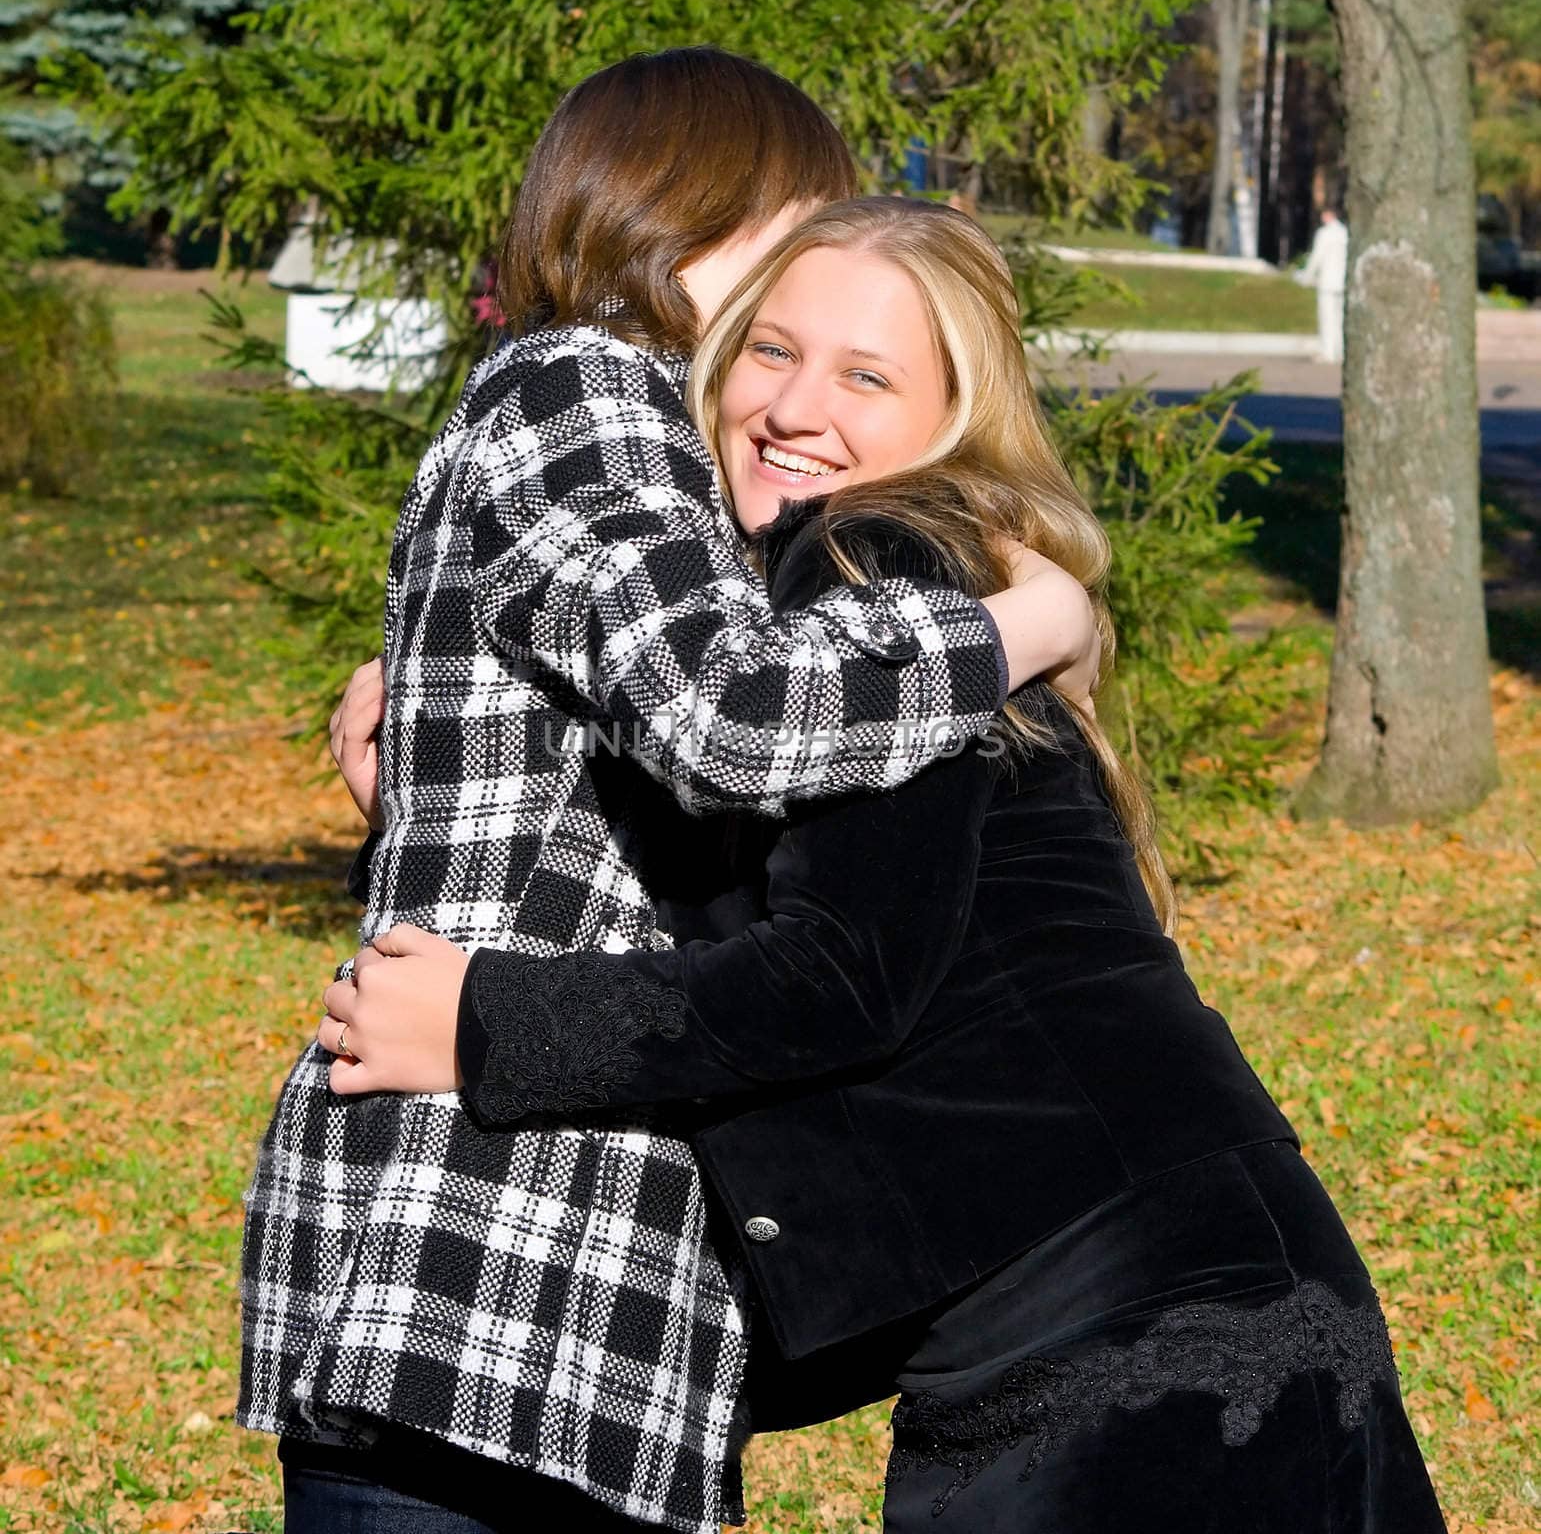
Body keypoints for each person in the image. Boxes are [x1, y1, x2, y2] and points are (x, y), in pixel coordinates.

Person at [323, 197, 1449, 1532]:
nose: (801, 406)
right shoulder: (806, 630)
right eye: (773, 353)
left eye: (867, 375)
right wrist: (467, 704)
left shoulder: (880, 562)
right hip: (1110, 1317)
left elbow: (838, 977)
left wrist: (482, 1021)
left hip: (1148, 1334)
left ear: (952, 418)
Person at [243, 54, 1099, 1534]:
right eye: (794, 236)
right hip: (498, 1267)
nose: (811, 290)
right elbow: (739, 717)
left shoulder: (604, 424)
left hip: (547, 1296)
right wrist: (1031, 622)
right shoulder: (594, 386)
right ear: (695, 214)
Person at [1296, 205, 1349, 364]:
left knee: (1326, 317)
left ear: (1328, 215)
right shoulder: (1344, 233)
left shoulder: (1324, 234)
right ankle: (1340, 351)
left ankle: (1327, 351)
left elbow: (1317, 257)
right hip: (1342, 281)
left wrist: (1307, 276)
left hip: (1327, 280)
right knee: (1339, 318)